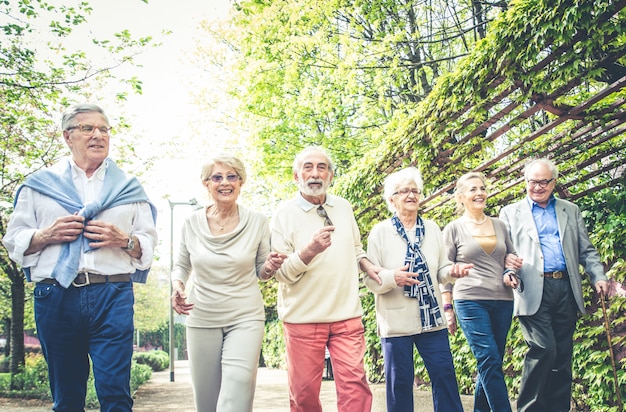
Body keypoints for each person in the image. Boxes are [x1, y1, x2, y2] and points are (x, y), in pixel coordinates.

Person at [3, 103, 158, 412]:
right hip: (55, 295)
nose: (98, 135)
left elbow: (149, 244)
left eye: (104, 129)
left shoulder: (129, 188)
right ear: (67, 136)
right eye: (88, 128)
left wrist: (124, 241)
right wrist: (45, 236)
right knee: (67, 398)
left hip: (112, 294)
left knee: (115, 394)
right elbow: (13, 241)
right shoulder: (39, 187)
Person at [170, 155, 286, 412]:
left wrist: (270, 266)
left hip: (244, 315)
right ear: (206, 184)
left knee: (239, 385)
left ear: (241, 182)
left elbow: (262, 270)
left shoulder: (257, 221)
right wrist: (177, 284)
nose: (225, 183)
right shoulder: (191, 222)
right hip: (201, 315)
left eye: (231, 176)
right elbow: (181, 265)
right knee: (207, 400)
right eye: (217, 177)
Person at [270, 146, 381, 412]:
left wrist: (367, 265)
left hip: (346, 315)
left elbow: (355, 248)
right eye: (307, 167)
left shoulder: (343, 207)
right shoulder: (282, 215)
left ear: (331, 175)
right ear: (296, 176)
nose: (315, 174)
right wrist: (310, 251)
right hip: (303, 319)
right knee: (304, 395)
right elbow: (282, 274)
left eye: (322, 167)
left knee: (356, 388)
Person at [499, 158, 609, 412]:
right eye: (532, 182)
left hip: (566, 288)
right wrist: (507, 268)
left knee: (561, 354)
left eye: (543, 182)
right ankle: (529, 409)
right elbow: (503, 253)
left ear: (554, 182)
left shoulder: (570, 210)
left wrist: (598, 276)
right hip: (532, 289)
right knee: (542, 349)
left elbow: (587, 250)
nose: (537, 187)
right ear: (525, 182)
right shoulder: (510, 213)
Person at [363, 166, 471, 412]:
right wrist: (392, 277)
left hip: (431, 319)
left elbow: (441, 269)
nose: (411, 195)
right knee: (399, 383)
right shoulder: (380, 232)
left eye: (415, 191)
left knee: (444, 375)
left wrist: (452, 272)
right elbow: (370, 280)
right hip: (396, 320)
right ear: (392, 199)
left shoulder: (432, 228)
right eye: (404, 191)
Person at [443, 171, 523, 412]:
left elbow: (511, 258)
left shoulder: (499, 225)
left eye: (482, 188)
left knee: (492, 362)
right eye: (473, 190)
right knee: (488, 358)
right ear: (460, 197)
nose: (479, 193)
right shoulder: (453, 229)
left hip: (502, 299)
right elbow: (443, 270)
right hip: (470, 300)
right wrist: (447, 307)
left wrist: (511, 270)